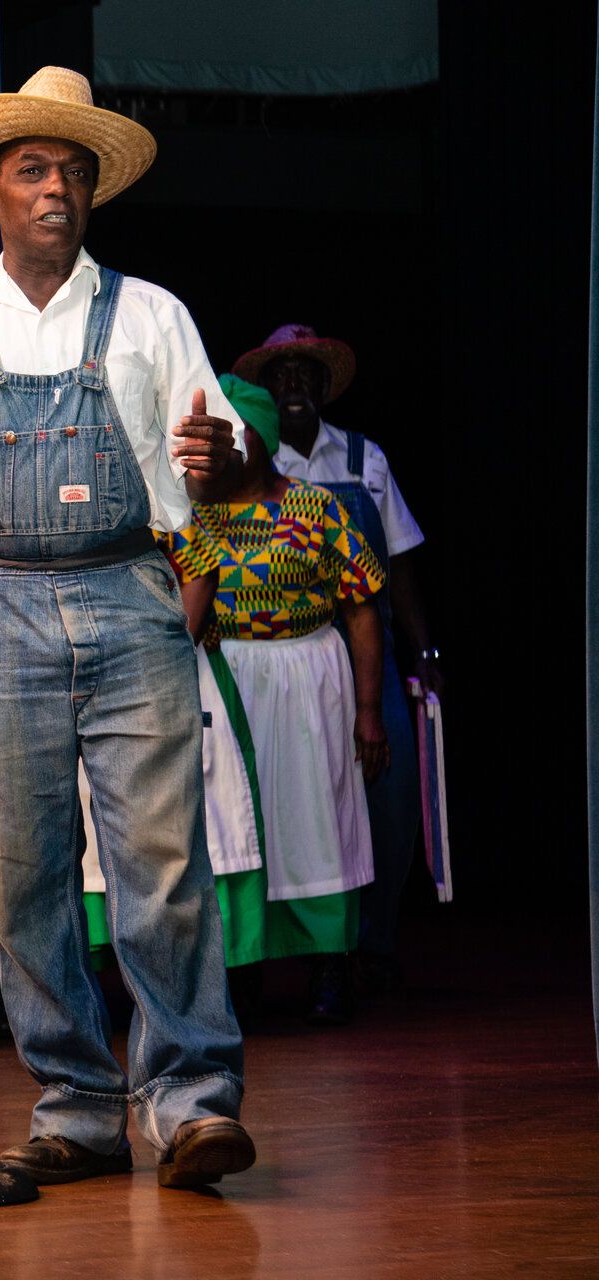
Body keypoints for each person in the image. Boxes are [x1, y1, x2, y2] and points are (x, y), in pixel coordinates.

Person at [0, 66, 257, 1189]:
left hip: (131, 598)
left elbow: (221, 464)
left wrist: (222, 465)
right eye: (33, 168)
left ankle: (189, 1103)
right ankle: (75, 1106)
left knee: (162, 865)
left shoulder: (153, 313)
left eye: (74, 170)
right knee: (19, 879)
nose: (56, 187)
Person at [162, 373, 390, 1025]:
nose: (225, 454)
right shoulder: (190, 511)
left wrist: (370, 710)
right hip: (224, 677)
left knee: (312, 817)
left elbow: (363, 607)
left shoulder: (315, 506)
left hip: (305, 675)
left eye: (238, 439)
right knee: (234, 826)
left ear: (261, 442)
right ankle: (242, 971)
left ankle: (329, 965)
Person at [233, 325, 433, 994]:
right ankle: (262, 959)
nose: (294, 385)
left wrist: (421, 647)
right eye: (281, 376)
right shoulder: (234, 475)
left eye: (306, 375)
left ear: (324, 387)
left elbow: (397, 564)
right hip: (274, 647)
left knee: (387, 786)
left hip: (353, 634)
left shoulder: (361, 458)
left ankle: (367, 945)